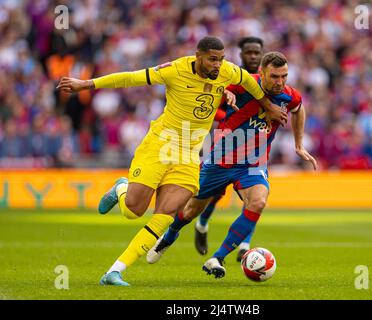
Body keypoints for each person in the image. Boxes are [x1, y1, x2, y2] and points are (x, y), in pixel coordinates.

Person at [56, 36, 287, 286]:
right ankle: (122, 188)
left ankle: (115, 271)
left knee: (166, 213)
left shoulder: (229, 71)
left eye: (220, 60)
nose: (218, 65)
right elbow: (130, 78)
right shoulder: (175, 69)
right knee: (134, 210)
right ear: (198, 56)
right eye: (212, 60)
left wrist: (269, 107)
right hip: (161, 145)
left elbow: (252, 87)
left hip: (189, 155)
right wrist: (85, 84)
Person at [146, 52, 317, 279]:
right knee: (189, 210)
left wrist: (298, 144)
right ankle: (170, 235)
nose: (280, 82)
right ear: (262, 73)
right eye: (275, 76)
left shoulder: (288, 95)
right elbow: (213, 87)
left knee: (258, 201)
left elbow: (299, 108)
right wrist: (223, 91)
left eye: (284, 76)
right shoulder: (244, 83)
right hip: (221, 160)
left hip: (253, 163)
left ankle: (218, 257)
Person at [195, 36, 264, 261]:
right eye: (249, 52)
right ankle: (202, 224)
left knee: (254, 196)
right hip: (225, 143)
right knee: (213, 194)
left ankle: (244, 244)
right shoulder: (229, 77)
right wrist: (236, 117)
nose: (253, 56)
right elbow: (211, 107)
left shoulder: (265, 81)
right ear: (241, 54)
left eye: (257, 52)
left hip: (255, 147)